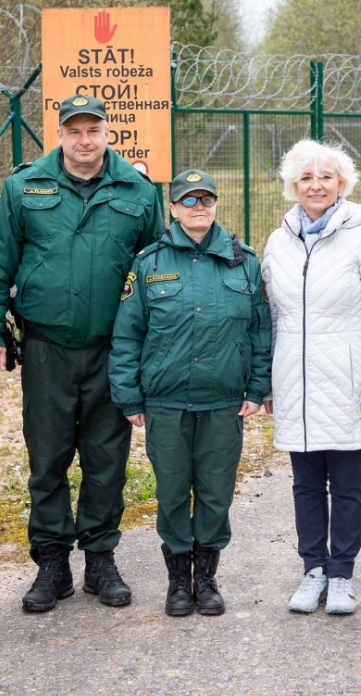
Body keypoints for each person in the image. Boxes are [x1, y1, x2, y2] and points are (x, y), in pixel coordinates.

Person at [0, 94, 164, 613]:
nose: (85, 140)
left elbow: (157, 273)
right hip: (46, 348)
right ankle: (52, 562)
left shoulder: (140, 192)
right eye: (74, 131)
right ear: (59, 135)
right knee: (48, 457)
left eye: (93, 130)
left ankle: (101, 559)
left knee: (108, 459)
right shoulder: (22, 188)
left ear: (108, 134)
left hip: (113, 350)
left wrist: (156, 344)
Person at [108, 169, 271, 617]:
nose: (199, 208)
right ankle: (178, 581)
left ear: (217, 205)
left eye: (207, 199)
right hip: (166, 402)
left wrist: (258, 388)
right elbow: (127, 335)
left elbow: (261, 331)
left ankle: (207, 578)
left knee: (216, 493)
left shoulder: (244, 262)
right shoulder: (149, 264)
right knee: (174, 492)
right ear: (174, 209)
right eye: (189, 201)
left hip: (223, 403)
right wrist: (129, 395)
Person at [260, 140, 361, 616]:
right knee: (303, 484)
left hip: (347, 385)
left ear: (342, 184)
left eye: (325, 176)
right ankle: (312, 569)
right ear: (292, 186)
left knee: (345, 484)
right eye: (305, 177)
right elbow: (273, 319)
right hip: (296, 384)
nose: (315, 185)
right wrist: (271, 383)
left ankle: (341, 573)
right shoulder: (277, 243)